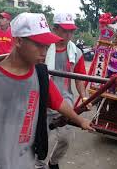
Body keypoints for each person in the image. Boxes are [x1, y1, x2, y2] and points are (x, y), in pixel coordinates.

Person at [0, 12, 94, 169]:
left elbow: (59, 103)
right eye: (39, 44)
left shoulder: (40, 76)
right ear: (19, 41)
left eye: (47, 46)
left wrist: (81, 120)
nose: (44, 51)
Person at [38, 12, 89, 169]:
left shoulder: (76, 52)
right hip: (42, 100)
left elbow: (79, 78)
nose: (69, 35)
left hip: (64, 101)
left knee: (66, 138)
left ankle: (53, 162)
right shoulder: (42, 49)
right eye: (65, 30)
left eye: (71, 31)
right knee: (39, 139)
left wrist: (84, 96)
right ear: (54, 29)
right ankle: (39, 166)